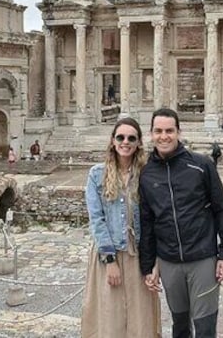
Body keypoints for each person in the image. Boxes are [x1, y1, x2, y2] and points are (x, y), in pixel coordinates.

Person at [139, 108, 223, 338]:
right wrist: (147, 265)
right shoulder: (146, 174)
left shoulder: (201, 165)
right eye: (158, 131)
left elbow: (222, 209)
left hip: (203, 258)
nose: (164, 136)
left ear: (178, 132)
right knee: (179, 326)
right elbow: (147, 222)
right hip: (169, 260)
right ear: (151, 134)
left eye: (169, 131)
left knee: (204, 328)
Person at [82, 117, 161, 337]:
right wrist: (110, 260)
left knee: (141, 319)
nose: (125, 142)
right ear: (112, 141)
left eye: (131, 138)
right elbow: (96, 219)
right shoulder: (97, 174)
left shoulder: (147, 173)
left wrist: (156, 262)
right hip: (109, 254)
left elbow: (155, 219)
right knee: (110, 318)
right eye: (120, 137)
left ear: (138, 143)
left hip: (139, 255)